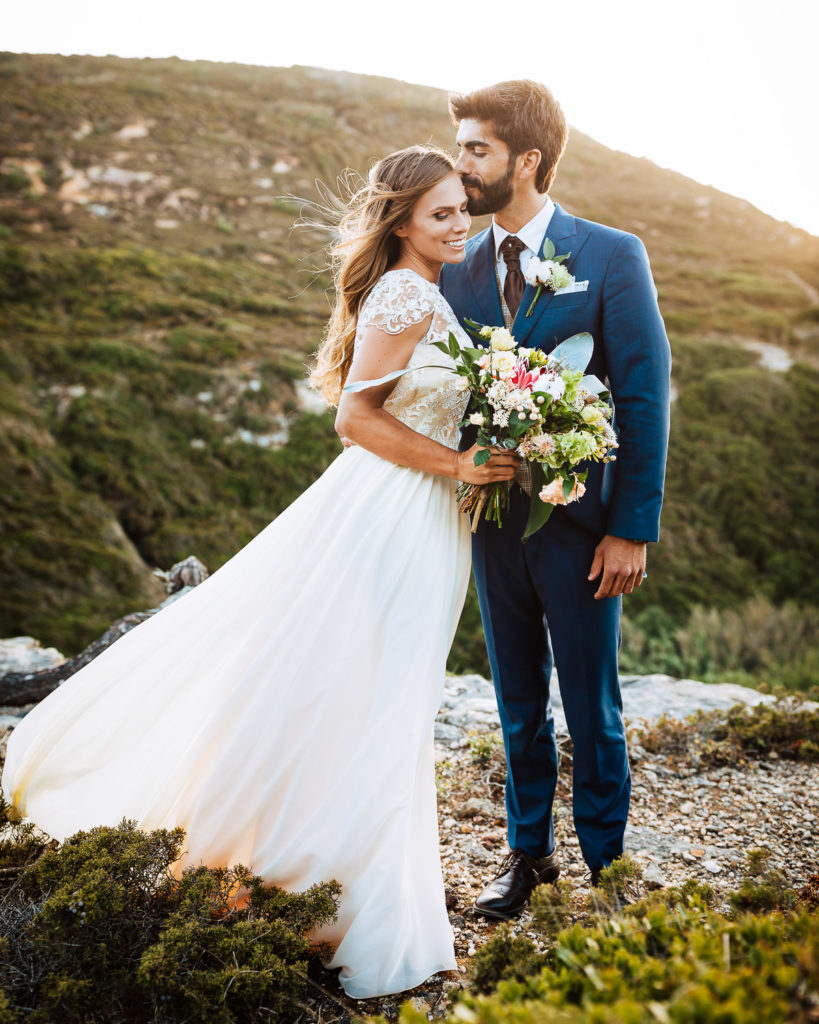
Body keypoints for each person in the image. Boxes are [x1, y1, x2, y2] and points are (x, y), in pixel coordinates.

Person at [1, 146, 520, 999]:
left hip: (420, 515)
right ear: (400, 223)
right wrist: (459, 467)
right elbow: (356, 419)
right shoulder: (403, 291)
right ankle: (333, 892)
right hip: (392, 512)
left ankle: (317, 875)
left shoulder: (423, 290)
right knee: (373, 690)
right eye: (439, 213)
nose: (458, 222)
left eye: (462, 206)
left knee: (374, 691)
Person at [439, 81, 672, 917]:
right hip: (491, 524)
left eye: (475, 149)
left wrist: (630, 529)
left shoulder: (610, 254)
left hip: (581, 526)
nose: (459, 163)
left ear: (525, 160)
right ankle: (526, 855)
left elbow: (644, 396)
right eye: (460, 146)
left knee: (590, 700)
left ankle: (607, 865)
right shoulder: (454, 266)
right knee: (515, 699)